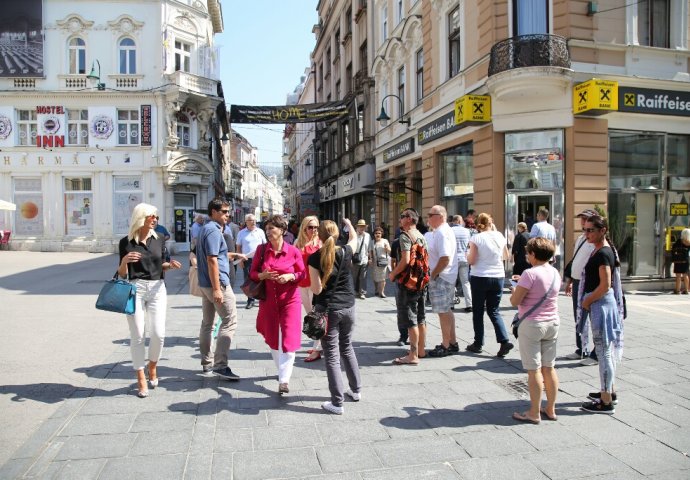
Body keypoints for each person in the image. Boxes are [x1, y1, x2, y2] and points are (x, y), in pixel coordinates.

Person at [117, 203, 182, 398]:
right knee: (137, 334)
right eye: (151, 216)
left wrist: (169, 266)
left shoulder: (159, 238)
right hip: (134, 288)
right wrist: (124, 261)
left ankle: (152, 365)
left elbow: (160, 264)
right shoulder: (126, 242)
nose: (155, 220)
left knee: (158, 333)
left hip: (157, 288)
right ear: (140, 218)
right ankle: (140, 377)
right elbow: (121, 274)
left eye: (156, 217)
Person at [309, 219, 362, 415]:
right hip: (348, 306)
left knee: (331, 355)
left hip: (329, 310)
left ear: (318, 236)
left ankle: (337, 402)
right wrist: (349, 224)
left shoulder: (315, 258)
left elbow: (317, 289)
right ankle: (356, 391)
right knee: (347, 346)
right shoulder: (346, 251)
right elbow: (355, 238)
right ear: (338, 234)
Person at [251, 214, 306, 394]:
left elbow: (302, 274)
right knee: (273, 337)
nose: (268, 232)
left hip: (290, 300)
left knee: (289, 338)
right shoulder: (261, 250)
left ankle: (284, 380)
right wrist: (263, 276)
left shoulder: (293, 251)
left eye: (271, 229)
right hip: (268, 301)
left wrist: (291, 276)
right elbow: (252, 274)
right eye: (266, 229)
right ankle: (281, 371)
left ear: (282, 230)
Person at [509, 238, 561, 424]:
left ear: (533, 254)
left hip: (532, 324)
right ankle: (551, 409)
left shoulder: (529, 274)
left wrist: (513, 290)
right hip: (552, 322)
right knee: (549, 367)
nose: (526, 256)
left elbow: (515, 301)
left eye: (527, 253)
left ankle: (534, 412)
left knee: (534, 370)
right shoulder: (555, 272)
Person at [578, 215, 624, 414]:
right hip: (601, 304)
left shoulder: (603, 253)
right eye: (585, 230)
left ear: (602, 230)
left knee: (604, 352)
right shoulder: (601, 249)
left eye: (591, 230)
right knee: (606, 350)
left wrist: (588, 300)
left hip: (601, 305)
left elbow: (605, 285)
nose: (586, 234)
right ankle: (609, 391)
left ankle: (605, 401)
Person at [196, 198, 245, 381]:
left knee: (207, 324)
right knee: (229, 321)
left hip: (205, 283)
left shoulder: (205, 229)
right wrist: (218, 288)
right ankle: (220, 365)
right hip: (217, 284)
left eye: (227, 211)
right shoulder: (213, 230)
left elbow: (217, 254)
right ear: (213, 212)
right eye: (224, 211)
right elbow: (212, 259)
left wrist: (233, 255)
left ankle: (207, 362)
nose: (227, 215)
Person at [466, 213, 514, 357]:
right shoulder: (499, 235)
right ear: (490, 223)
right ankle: (504, 340)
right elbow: (506, 256)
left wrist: (466, 256)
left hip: (480, 276)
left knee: (478, 311)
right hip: (498, 276)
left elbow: (472, 260)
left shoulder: (476, 238)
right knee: (494, 310)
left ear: (477, 224)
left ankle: (478, 343)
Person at [389, 208, 428, 364]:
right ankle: (421, 350)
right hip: (421, 281)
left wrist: (393, 274)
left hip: (409, 282)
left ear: (410, 219)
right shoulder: (421, 235)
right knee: (421, 317)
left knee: (411, 319)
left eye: (403, 216)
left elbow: (405, 259)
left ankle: (413, 356)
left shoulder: (405, 236)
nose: (400, 219)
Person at [564, 209, 598, 365]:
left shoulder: (595, 241)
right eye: (582, 219)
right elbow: (575, 260)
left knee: (593, 318)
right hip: (578, 281)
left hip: (589, 283)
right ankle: (581, 349)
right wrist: (570, 280)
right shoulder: (580, 239)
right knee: (579, 317)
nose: (583, 222)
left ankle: (596, 352)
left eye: (586, 219)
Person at [425, 206, 459, 358]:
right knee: (447, 310)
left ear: (440, 216)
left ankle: (446, 345)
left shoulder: (442, 232)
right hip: (446, 276)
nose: (428, 217)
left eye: (430, 215)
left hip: (442, 277)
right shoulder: (442, 231)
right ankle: (452, 342)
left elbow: (445, 258)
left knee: (443, 312)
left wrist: (433, 274)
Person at [295, 216, 324, 363]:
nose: (313, 230)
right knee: (310, 315)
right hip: (301, 284)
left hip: (315, 284)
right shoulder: (297, 243)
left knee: (316, 317)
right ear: (304, 228)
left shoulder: (320, 243)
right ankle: (318, 344)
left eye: (316, 227)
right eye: (310, 227)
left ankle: (317, 349)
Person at [236, 213, 267, 309]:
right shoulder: (241, 233)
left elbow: (265, 245)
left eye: (254, 220)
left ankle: (262, 298)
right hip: (247, 260)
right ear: (246, 222)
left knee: (262, 278)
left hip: (260, 259)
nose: (253, 222)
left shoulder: (260, 231)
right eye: (251, 220)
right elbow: (238, 247)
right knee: (249, 280)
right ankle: (250, 300)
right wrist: (240, 260)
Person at [451, 215, 473, 313]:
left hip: (453, 259)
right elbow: (469, 244)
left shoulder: (450, 230)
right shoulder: (467, 231)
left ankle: (451, 304)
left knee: (451, 282)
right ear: (460, 221)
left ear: (454, 221)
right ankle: (469, 304)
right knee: (465, 282)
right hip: (464, 258)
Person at [351, 219, 372, 299]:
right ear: (357, 227)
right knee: (355, 277)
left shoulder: (368, 236)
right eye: (360, 227)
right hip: (355, 260)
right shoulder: (353, 235)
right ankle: (356, 291)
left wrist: (370, 258)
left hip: (364, 259)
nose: (362, 228)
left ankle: (362, 292)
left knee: (363, 277)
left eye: (363, 227)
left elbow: (370, 248)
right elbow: (350, 248)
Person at [369, 227, 391, 298]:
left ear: (381, 234)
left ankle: (381, 292)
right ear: (374, 234)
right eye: (376, 233)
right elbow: (370, 251)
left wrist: (387, 249)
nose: (377, 234)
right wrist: (370, 259)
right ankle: (376, 290)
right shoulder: (372, 242)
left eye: (379, 233)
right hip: (375, 262)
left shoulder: (385, 241)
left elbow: (390, 251)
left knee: (383, 278)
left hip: (383, 262)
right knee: (375, 277)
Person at [671, 228, 690, 294]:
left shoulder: (678, 241)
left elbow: (673, 249)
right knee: (685, 275)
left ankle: (677, 290)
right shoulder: (688, 242)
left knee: (678, 275)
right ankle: (686, 290)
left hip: (678, 260)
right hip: (685, 260)